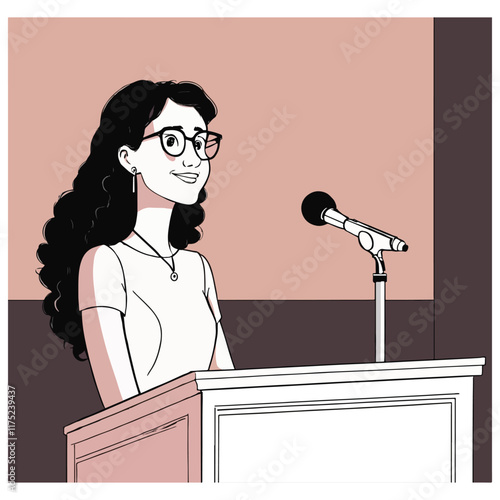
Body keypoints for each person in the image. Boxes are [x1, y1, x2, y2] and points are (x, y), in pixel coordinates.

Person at [37, 80, 234, 408]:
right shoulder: (105, 263)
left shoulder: (197, 268)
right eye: (172, 141)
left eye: (200, 143)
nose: (193, 159)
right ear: (129, 158)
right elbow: (123, 411)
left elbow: (229, 388)